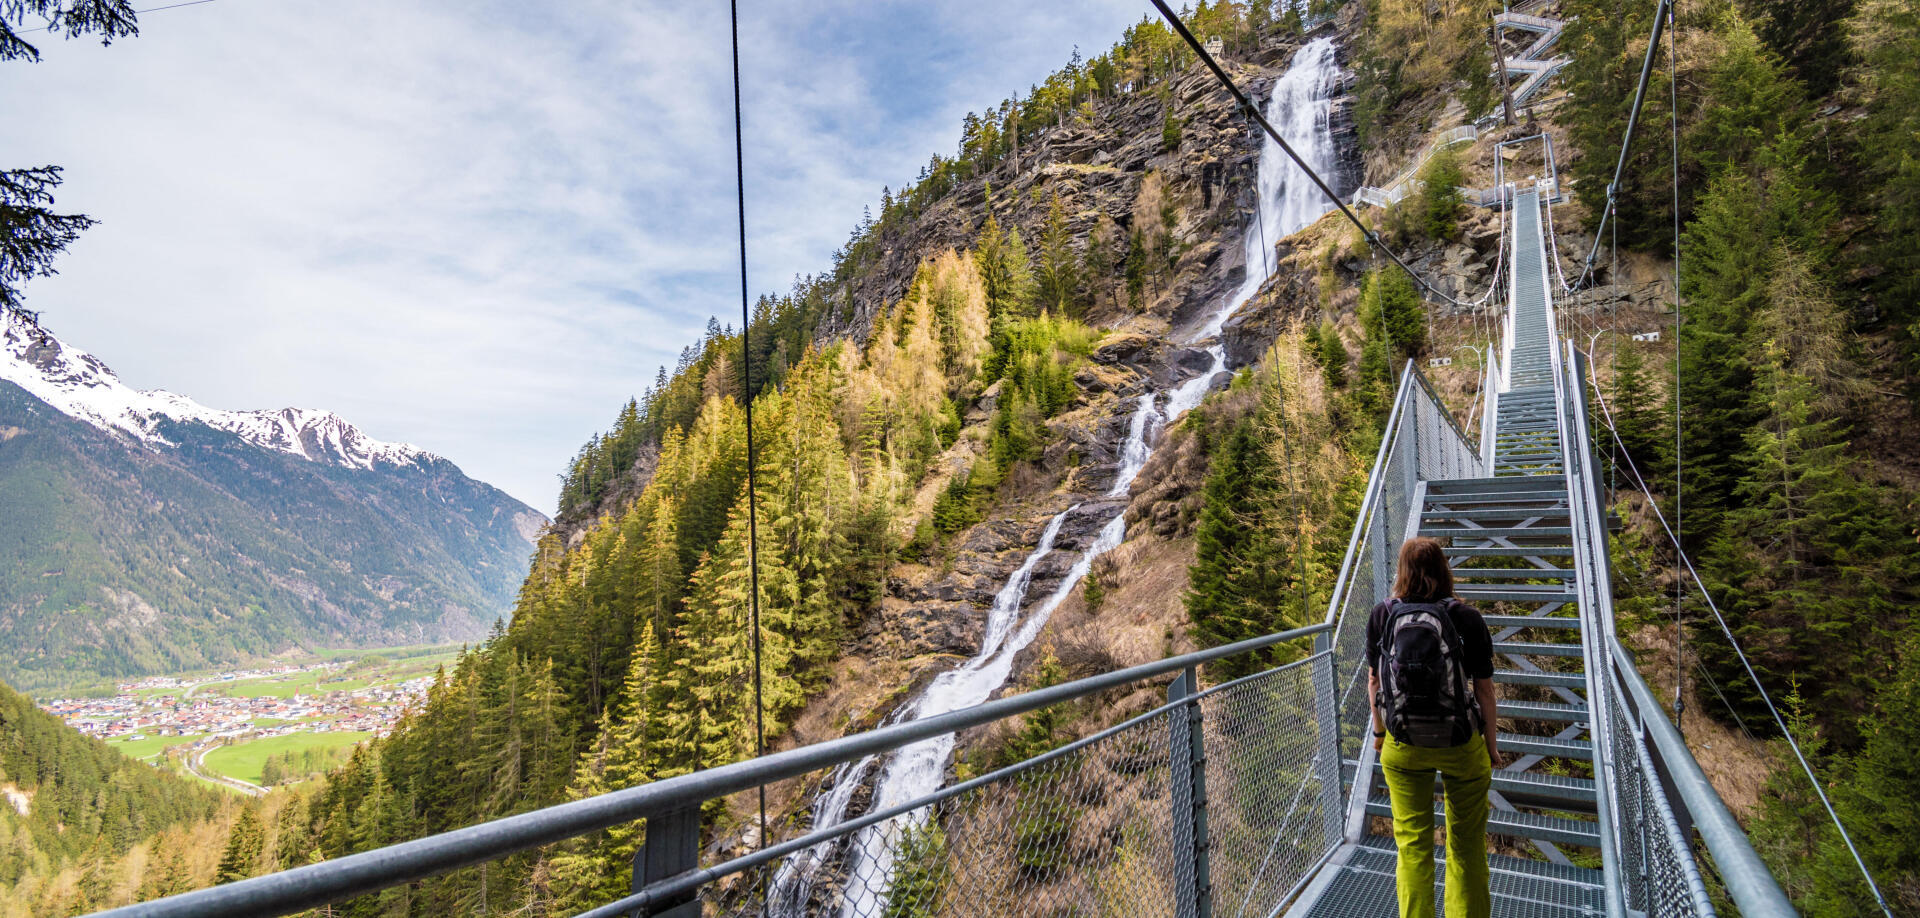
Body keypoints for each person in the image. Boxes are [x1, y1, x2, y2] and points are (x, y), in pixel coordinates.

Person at [1366, 536, 1498, 918]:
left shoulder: (1383, 615)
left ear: (1401, 572)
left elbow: (1374, 682)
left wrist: (1379, 733)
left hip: (1402, 743)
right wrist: (1489, 746)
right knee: (1467, 846)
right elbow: (1484, 690)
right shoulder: (1466, 617)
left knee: (1412, 847)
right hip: (1460, 744)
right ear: (1444, 571)